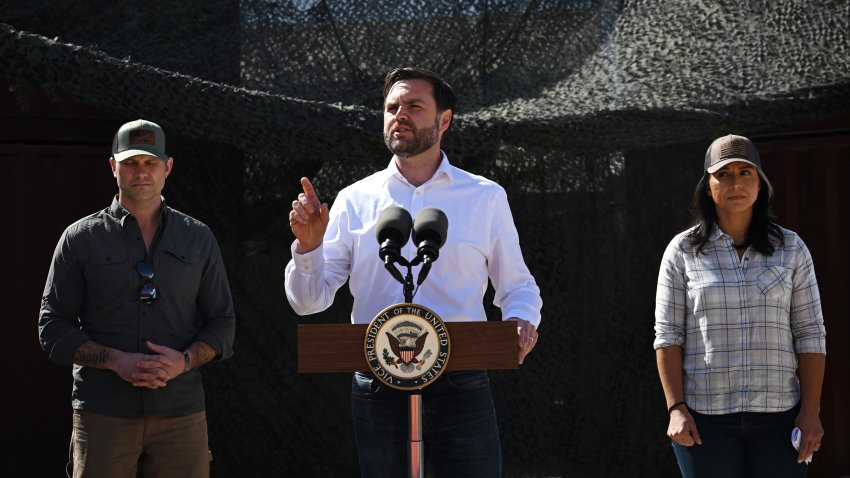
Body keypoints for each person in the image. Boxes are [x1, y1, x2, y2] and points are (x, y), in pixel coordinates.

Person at [285, 67, 542, 477]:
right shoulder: (354, 200)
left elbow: (518, 285)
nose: (399, 115)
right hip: (378, 382)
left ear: (445, 120)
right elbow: (308, 301)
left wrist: (521, 321)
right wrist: (310, 248)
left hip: (460, 383)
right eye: (391, 107)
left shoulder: (485, 197)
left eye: (413, 106)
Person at [38, 119, 236, 478]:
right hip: (103, 413)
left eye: (150, 163)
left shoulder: (198, 238)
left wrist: (185, 361)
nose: (140, 172)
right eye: (130, 163)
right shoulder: (80, 238)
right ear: (113, 167)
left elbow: (223, 323)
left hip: (181, 415)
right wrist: (116, 361)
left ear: (168, 167)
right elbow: (51, 328)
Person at [654, 134, 826, 478]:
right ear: (708, 186)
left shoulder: (791, 249)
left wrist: (811, 411)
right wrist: (676, 408)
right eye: (724, 174)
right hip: (706, 421)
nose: (736, 183)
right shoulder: (682, 251)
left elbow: (810, 333)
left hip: (780, 418)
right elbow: (668, 335)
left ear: (760, 185)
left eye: (745, 173)